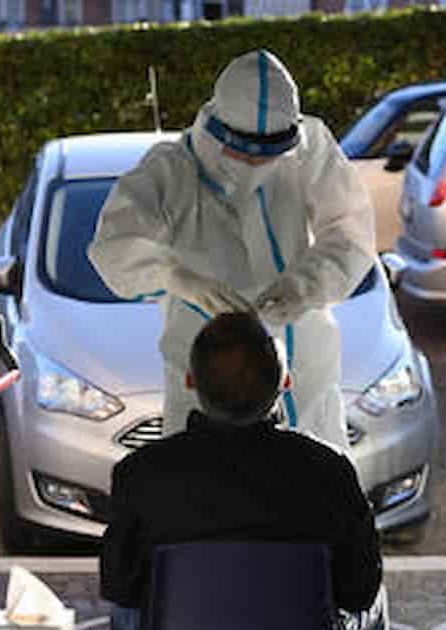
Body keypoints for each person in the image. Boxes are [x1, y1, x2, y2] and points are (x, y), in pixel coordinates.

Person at [87, 49, 376, 450]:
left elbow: (350, 233)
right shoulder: (171, 170)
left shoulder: (309, 151)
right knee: (205, 481)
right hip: (208, 377)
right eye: (244, 153)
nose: (256, 165)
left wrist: (304, 286)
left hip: (304, 368)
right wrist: (173, 276)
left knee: (316, 477)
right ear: (218, 130)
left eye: (269, 155)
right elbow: (113, 243)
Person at [100, 312, 391, 630]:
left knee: (124, 614)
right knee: (375, 608)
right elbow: (360, 590)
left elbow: (119, 586)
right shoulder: (330, 470)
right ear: (284, 382)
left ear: (190, 380)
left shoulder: (140, 473)